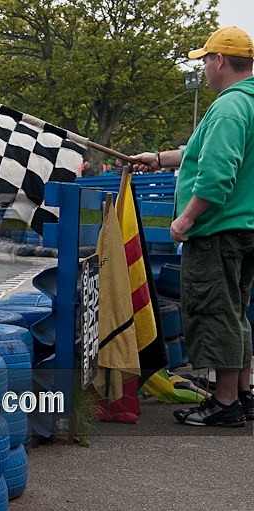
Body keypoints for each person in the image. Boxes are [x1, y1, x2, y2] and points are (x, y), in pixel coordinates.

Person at [131, 26, 254, 427]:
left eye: (204, 60)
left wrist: (186, 218)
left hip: (218, 229)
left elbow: (218, 174)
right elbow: (200, 151)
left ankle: (223, 403)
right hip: (244, 227)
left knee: (214, 312)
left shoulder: (228, 107)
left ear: (219, 60)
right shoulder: (247, 103)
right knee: (236, 312)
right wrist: (160, 157)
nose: (202, 68)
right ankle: (242, 394)